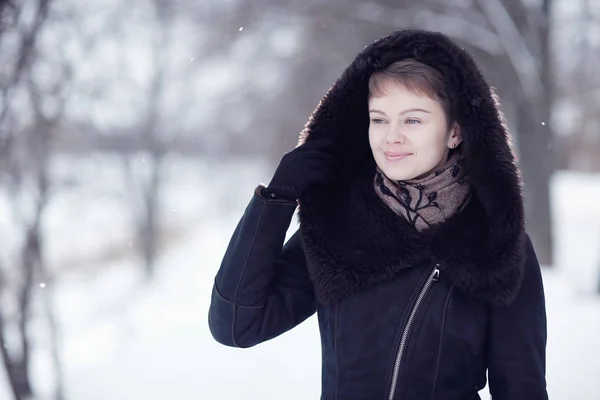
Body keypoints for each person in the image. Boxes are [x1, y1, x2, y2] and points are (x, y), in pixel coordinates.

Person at [208, 29, 548, 400]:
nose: (391, 137)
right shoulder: (337, 226)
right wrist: (275, 202)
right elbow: (237, 326)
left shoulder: (494, 244)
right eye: (380, 119)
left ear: (454, 131)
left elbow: (521, 388)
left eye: (413, 120)